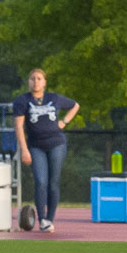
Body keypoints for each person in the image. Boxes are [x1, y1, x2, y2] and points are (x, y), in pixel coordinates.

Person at [13, 68, 79, 233]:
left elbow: (75, 105)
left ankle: (50, 218)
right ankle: (42, 219)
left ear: (45, 82)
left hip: (56, 143)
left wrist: (64, 121)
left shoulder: (53, 98)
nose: (36, 82)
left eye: (39, 79)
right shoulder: (22, 101)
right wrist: (24, 149)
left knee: (53, 181)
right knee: (41, 181)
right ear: (29, 81)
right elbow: (19, 127)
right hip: (36, 145)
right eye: (33, 78)